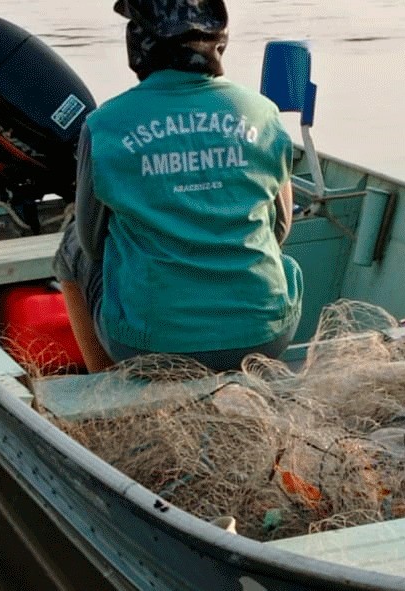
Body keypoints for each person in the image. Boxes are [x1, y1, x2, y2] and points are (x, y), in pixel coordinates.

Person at [53, 0, 302, 373]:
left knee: (71, 245)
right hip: (266, 336)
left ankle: (104, 382)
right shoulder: (262, 111)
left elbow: (92, 244)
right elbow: (280, 229)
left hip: (147, 348)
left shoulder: (103, 124)